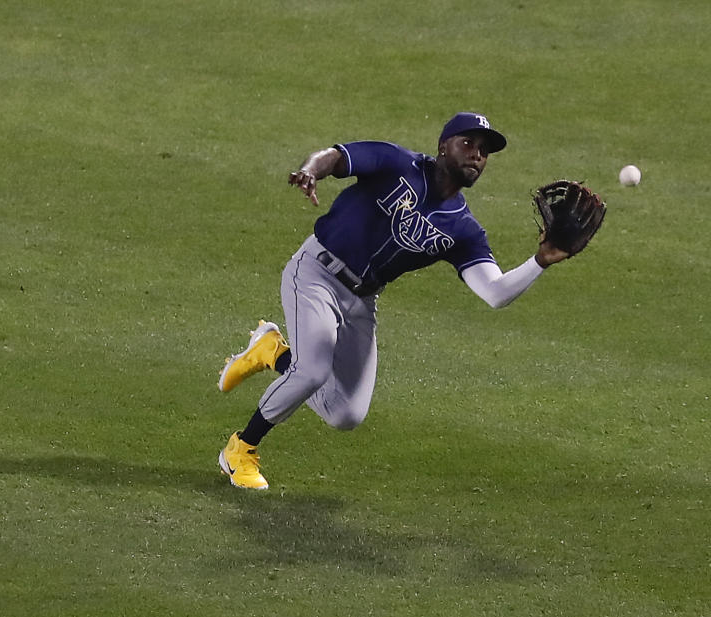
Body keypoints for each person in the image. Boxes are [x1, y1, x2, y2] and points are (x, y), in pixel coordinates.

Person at [216, 112, 573, 490]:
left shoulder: (463, 228)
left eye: (484, 151)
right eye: (468, 144)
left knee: (346, 414)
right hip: (316, 274)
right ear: (443, 146)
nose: (477, 155)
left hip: (361, 301)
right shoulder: (396, 162)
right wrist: (310, 170)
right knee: (314, 371)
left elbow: (495, 292)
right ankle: (241, 449)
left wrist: (541, 261)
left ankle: (273, 352)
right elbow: (336, 157)